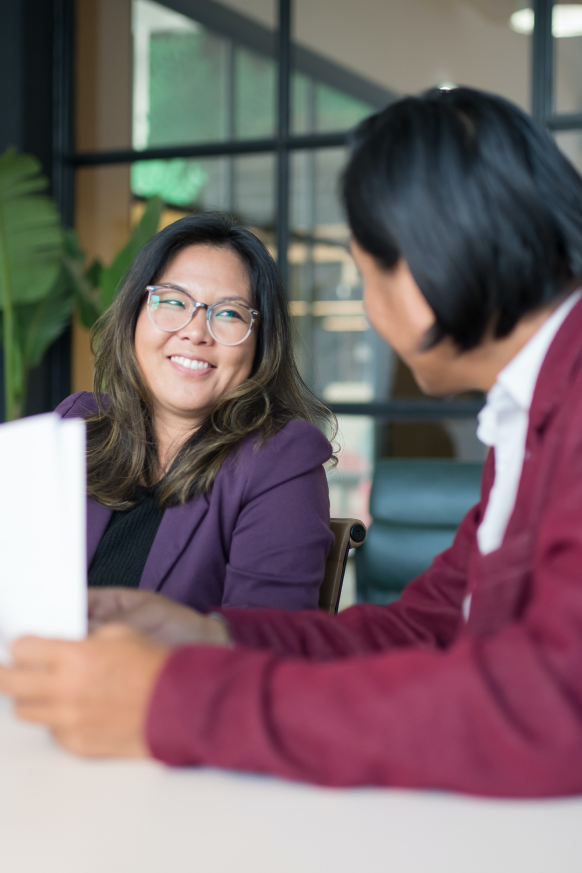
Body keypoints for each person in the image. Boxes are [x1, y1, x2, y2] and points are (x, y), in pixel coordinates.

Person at [3, 86, 582, 797]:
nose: (370, 313)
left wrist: (174, 698)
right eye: (173, 303)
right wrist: (209, 638)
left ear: (429, 267)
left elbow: (553, 705)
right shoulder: (531, 412)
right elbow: (426, 626)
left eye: (367, 273)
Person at [57, 214, 335, 610]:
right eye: (173, 302)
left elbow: (262, 643)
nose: (195, 332)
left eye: (228, 314)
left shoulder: (280, 460)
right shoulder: (78, 426)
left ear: (261, 343)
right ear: (134, 314)